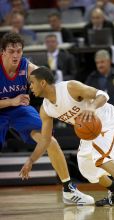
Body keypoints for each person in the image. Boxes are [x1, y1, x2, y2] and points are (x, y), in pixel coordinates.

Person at [28, 66, 114, 209]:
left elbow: (102, 95)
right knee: (87, 168)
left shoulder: (69, 88)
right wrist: (31, 160)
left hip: (103, 117)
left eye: (32, 82)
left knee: (101, 158)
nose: (30, 87)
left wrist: (91, 108)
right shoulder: (45, 109)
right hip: (88, 129)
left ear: (42, 83)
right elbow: (46, 140)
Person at [0, 32, 94, 205]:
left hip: (20, 110)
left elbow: (49, 84)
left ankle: (68, 189)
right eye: (11, 51)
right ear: (3, 52)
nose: (16, 55)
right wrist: (11, 101)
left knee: (49, 139)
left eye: (19, 51)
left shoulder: (27, 67)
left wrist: (68, 103)